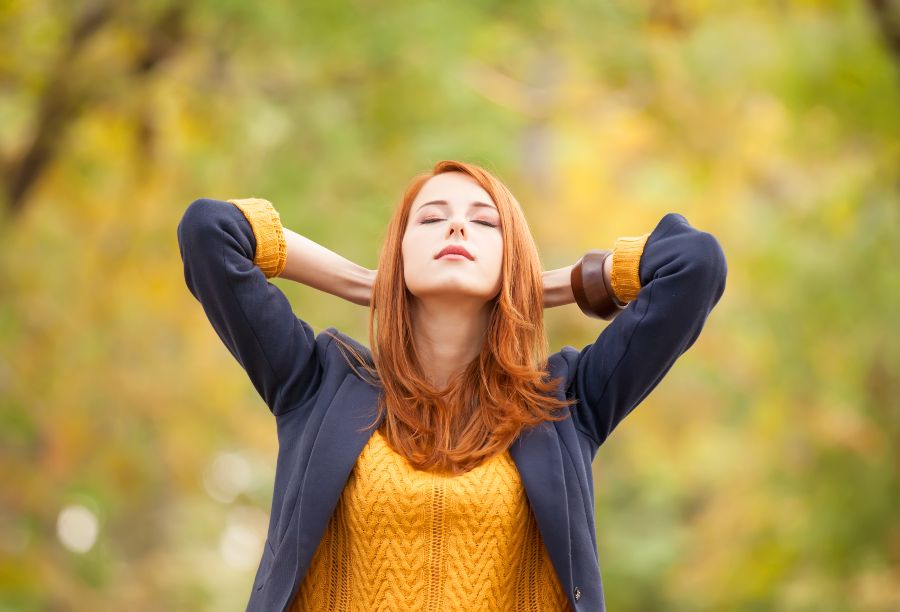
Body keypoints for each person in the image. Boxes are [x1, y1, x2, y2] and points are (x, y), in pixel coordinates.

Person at [176, 159, 727, 611]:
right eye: (432, 218)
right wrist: (372, 285)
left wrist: (540, 286)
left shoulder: (567, 401)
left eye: (486, 223)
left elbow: (693, 265)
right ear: (399, 251)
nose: (458, 227)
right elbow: (210, 232)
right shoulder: (318, 383)